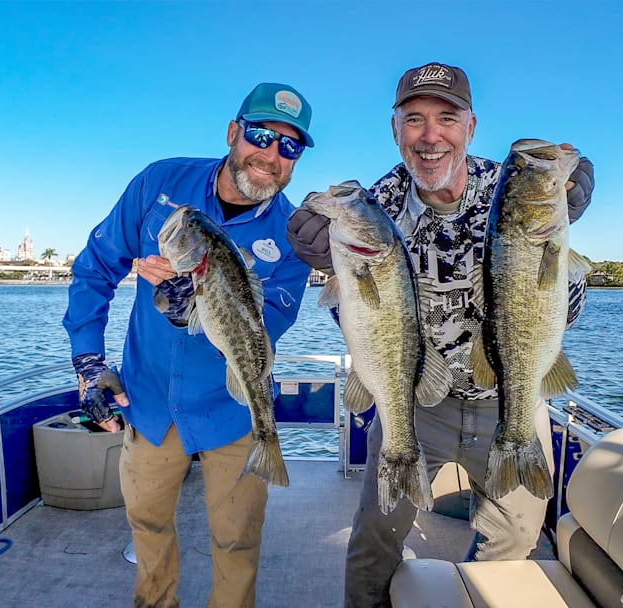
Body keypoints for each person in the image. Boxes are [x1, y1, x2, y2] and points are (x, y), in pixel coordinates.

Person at [286, 62, 594, 607]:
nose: (431, 136)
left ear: (470, 127)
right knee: (374, 540)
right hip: (413, 401)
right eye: (414, 119)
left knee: (515, 538)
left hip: (509, 398)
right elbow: (364, 328)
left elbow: (560, 313)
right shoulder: (374, 209)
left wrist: (556, 235)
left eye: (447, 118)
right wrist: (333, 265)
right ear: (395, 129)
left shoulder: (511, 191)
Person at [63, 82, 315, 608]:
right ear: (233, 131)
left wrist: (194, 311)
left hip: (233, 410)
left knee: (237, 538)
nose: (271, 154)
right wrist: (88, 362)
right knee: (147, 523)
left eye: (289, 146)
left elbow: (268, 326)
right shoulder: (160, 181)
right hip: (149, 401)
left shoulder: (293, 235)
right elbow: (95, 268)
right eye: (260, 136)